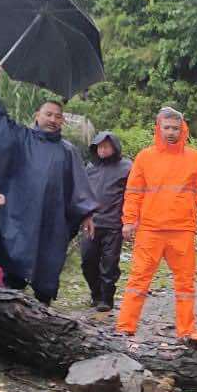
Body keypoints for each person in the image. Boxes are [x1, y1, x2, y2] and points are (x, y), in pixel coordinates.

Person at [0, 63, 97, 305]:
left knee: (47, 268)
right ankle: (10, 309)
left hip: (51, 221)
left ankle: (42, 313)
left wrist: (87, 214)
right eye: (48, 114)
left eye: (58, 116)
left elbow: (78, 185)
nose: (53, 119)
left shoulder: (68, 151)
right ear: (37, 115)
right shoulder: (21, 138)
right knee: (14, 271)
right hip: (20, 217)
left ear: (63, 121)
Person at [116, 106, 197, 341]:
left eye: (175, 128)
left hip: (182, 230)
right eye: (167, 127)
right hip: (150, 229)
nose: (171, 132)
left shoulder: (195, 158)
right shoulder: (145, 157)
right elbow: (133, 192)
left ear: (183, 130)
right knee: (138, 280)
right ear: (158, 129)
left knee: (185, 284)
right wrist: (129, 221)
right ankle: (125, 327)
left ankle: (186, 331)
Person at [82, 131, 131, 313]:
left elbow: (134, 195)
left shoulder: (127, 167)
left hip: (114, 224)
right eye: (99, 146)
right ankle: (95, 294)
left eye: (106, 146)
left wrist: (129, 220)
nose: (102, 150)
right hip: (91, 223)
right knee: (87, 261)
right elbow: (83, 192)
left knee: (109, 264)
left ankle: (106, 298)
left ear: (114, 147)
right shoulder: (90, 167)